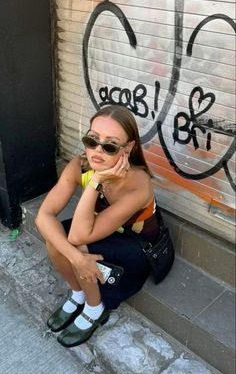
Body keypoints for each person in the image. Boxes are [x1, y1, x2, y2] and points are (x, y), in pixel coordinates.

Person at [35, 104, 167, 348]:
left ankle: (94, 310)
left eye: (109, 145)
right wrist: (75, 257)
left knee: (75, 242)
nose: (96, 151)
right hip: (99, 229)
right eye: (92, 139)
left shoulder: (138, 184)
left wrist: (96, 181)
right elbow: (43, 215)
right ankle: (79, 294)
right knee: (56, 240)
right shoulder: (81, 164)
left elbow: (79, 233)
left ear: (128, 148)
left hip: (136, 246)